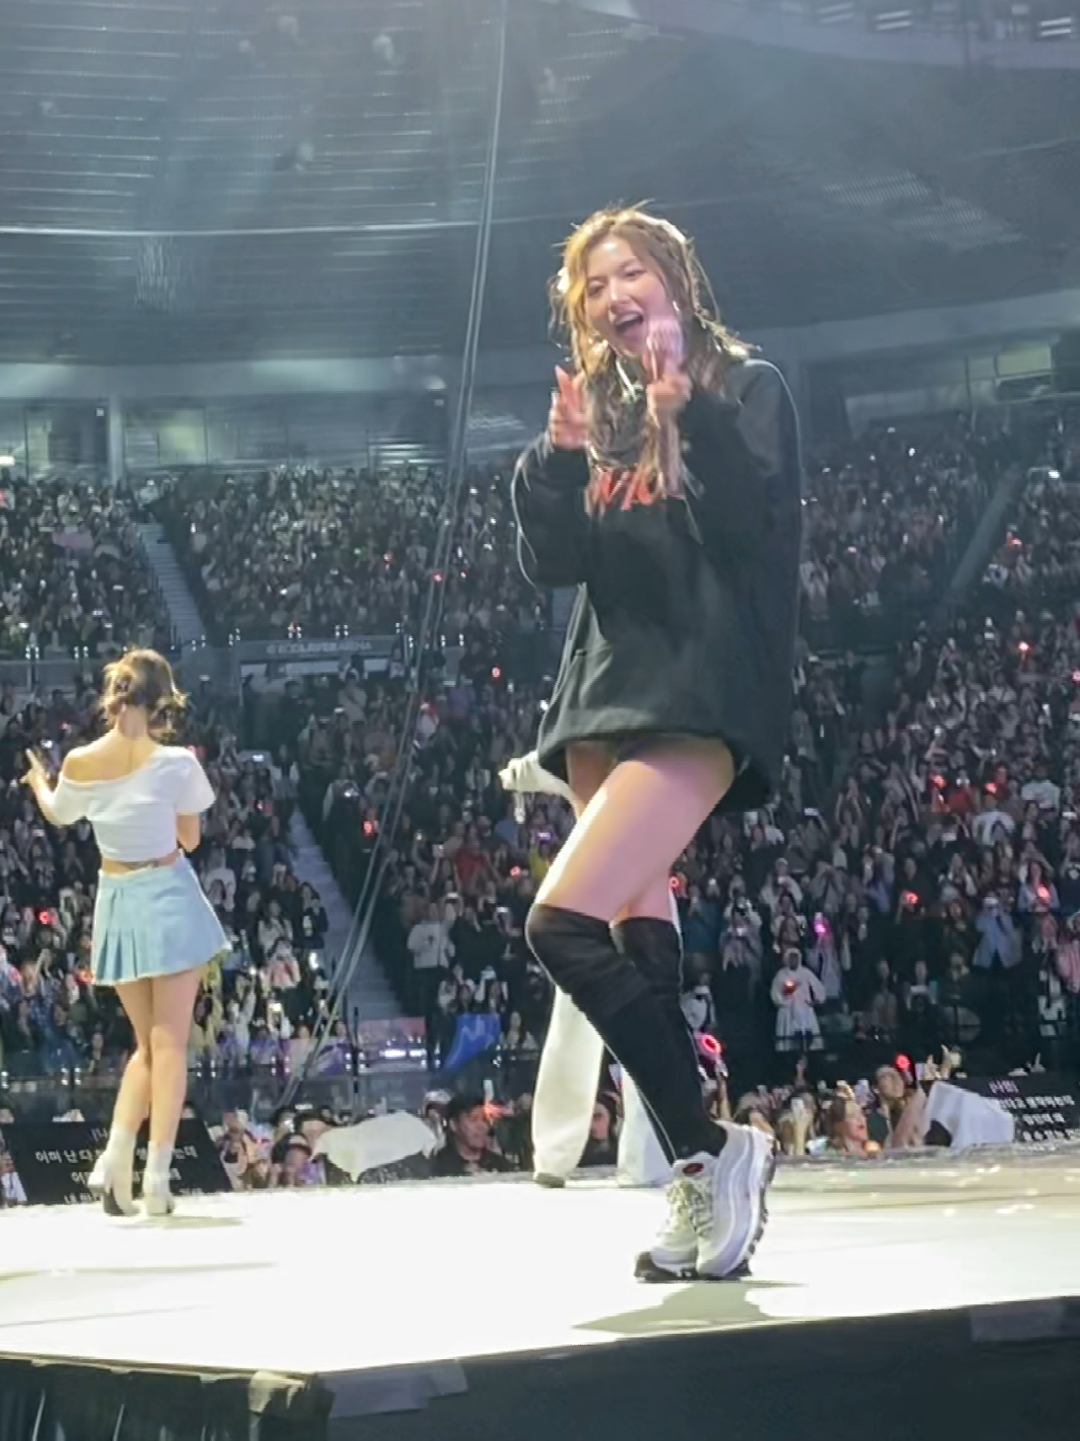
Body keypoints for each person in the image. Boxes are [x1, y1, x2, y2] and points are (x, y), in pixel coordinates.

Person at [511, 205, 802, 1281]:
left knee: (559, 923)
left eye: (628, 272)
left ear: (673, 279)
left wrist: (696, 413)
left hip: (698, 689)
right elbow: (554, 564)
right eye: (592, 285)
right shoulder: (606, 415)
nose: (610, 295)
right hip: (604, 694)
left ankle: (714, 1145)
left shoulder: (745, 385)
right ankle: (696, 1175)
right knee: (637, 944)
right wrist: (557, 457)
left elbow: (750, 530)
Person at [22, 649, 227, 1218]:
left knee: (147, 1045)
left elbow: (59, 814)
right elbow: (190, 840)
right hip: (167, 894)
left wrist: (39, 781)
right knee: (170, 1044)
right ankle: (155, 1177)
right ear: (161, 700)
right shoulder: (176, 763)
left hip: (116, 898)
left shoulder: (82, 760)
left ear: (115, 696)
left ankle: (115, 1159)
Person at [500, 748, 670, 1190]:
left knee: (630, 1023)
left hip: (624, 892)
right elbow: (534, 768)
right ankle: (576, 1154)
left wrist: (518, 774)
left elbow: (531, 769)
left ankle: (629, 1157)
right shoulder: (596, 748)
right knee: (602, 1021)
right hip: (605, 891)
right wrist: (518, 774)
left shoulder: (637, 752)